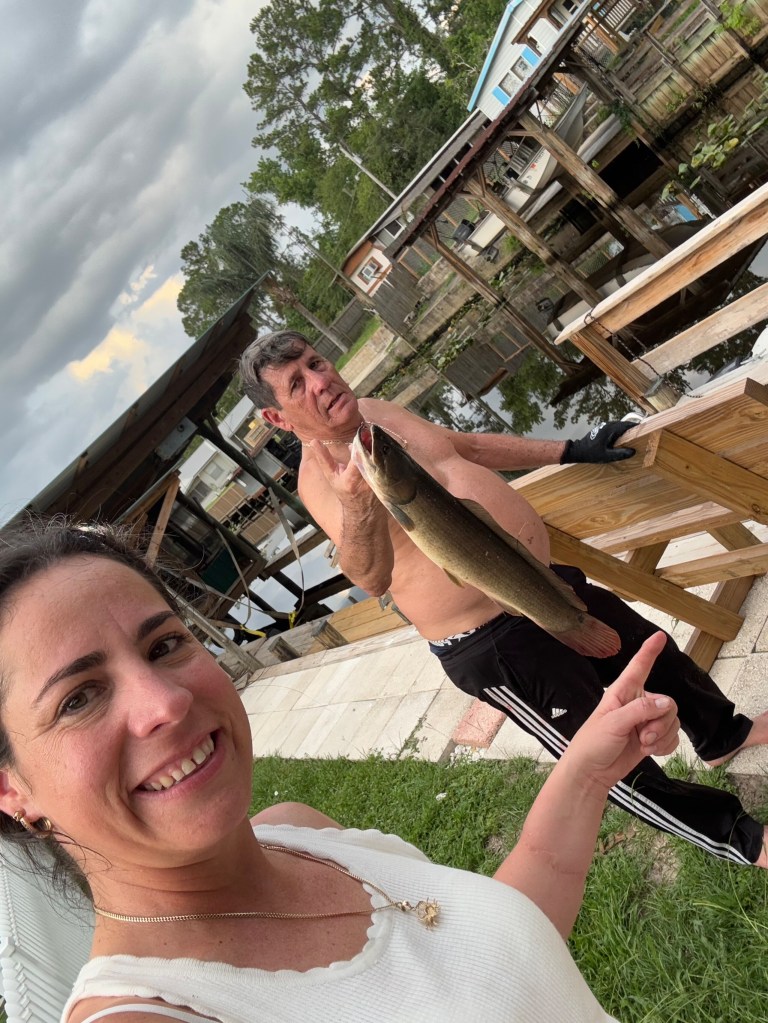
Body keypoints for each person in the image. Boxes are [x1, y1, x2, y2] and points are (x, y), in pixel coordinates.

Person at [0, 519, 680, 1023]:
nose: (165, 703)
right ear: (11, 789)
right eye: (78, 698)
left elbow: (492, 959)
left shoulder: (297, 831)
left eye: (164, 644)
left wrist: (586, 773)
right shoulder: (153, 1012)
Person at [240, 330, 768, 869]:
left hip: (538, 581)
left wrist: (572, 449)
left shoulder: (375, 414)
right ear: (278, 418)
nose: (321, 381)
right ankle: (740, 839)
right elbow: (371, 578)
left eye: (317, 363)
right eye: (297, 384)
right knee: (606, 753)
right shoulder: (321, 482)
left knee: (652, 653)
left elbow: (465, 448)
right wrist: (356, 504)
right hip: (493, 644)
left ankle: (724, 735)